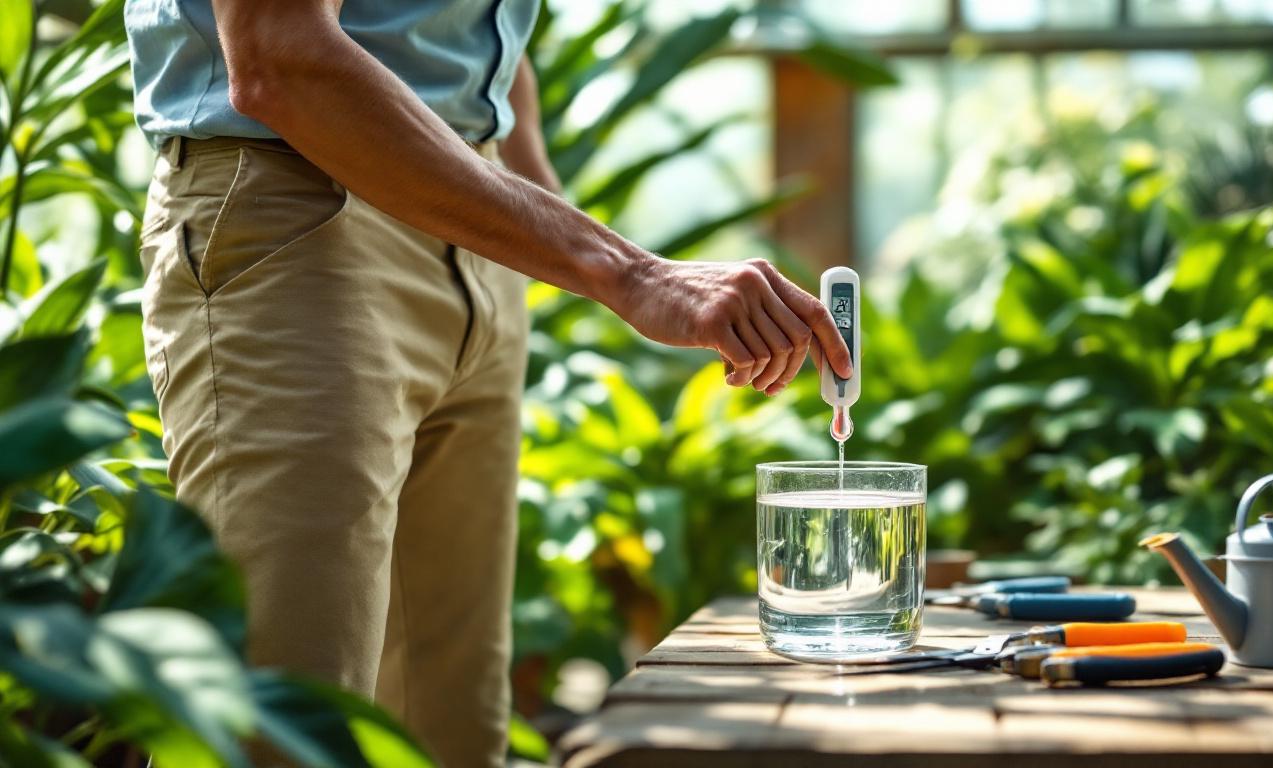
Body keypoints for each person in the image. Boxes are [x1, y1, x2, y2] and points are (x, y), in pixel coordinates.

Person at [126, 1, 852, 765]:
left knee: (454, 732)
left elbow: (482, 41)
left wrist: (557, 231)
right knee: (286, 728)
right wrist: (630, 275)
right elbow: (279, 55)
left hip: (472, 221)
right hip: (301, 223)